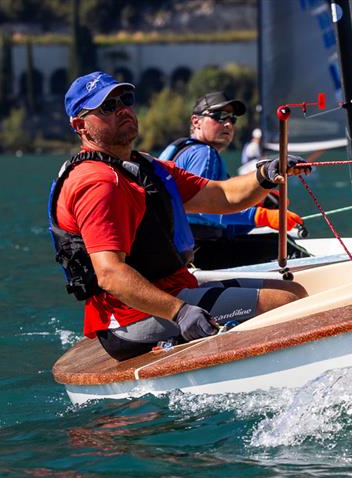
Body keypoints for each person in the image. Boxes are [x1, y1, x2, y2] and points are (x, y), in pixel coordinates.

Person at [48, 72, 309, 361]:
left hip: (172, 290)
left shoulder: (143, 165)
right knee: (283, 301)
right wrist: (180, 312)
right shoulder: (98, 183)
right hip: (131, 319)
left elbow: (222, 196)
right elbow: (110, 274)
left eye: (125, 100)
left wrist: (266, 175)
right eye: (107, 107)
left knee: (293, 291)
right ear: (80, 125)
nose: (122, 109)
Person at [159, 92, 303, 242]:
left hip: (176, 245)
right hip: (197, 249)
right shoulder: (205, 154)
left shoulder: (181, 149)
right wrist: (261, 216)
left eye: (232, 118)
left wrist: (254, 200)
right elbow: (208, 207)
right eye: (219, 116)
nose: (228, 123)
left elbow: (219, 219)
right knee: (283, 246)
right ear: (196, 121)